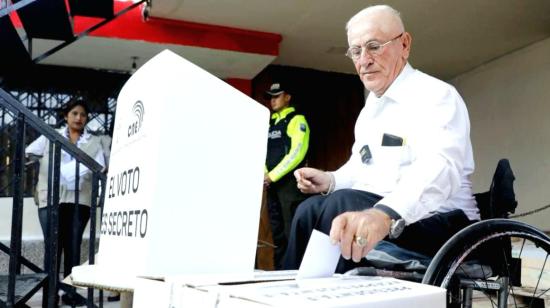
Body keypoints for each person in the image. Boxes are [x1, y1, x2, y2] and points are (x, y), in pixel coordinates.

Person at [283, 5, 480, 273]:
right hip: (389, 214)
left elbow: (440, 166)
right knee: (308, 209)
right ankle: (293, 293)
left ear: (404, 44)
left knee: (344, 206)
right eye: (355, 51)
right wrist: (330, 180)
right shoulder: (370, 112)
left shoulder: (436, 96)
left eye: (374, 46)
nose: (364, 60)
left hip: (442, 224)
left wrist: (384, 213)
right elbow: (362, 166)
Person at [26, 99, 105, 306]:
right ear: (66, 116)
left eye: (83, 115)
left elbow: (100, 166)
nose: (79, 118)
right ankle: (50, 294)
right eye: (75, 114)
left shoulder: (93, 142)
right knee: (53, 247)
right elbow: (29, 152)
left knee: (73, 246)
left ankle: (69, 293)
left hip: (80, 200)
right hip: (51, 198)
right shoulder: (50, 136)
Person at [264, 82, 310, 269]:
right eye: (271, 97)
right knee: (277, 232)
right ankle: (280, 272)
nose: (272, 100)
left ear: (287, 97)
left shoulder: (296, 119)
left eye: (277, 96)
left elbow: (298, 152)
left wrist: (272, 175)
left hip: (290, 184)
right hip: (272, 185)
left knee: (292, 231)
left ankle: (295, 271)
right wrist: (265, 175)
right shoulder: (269, 123)